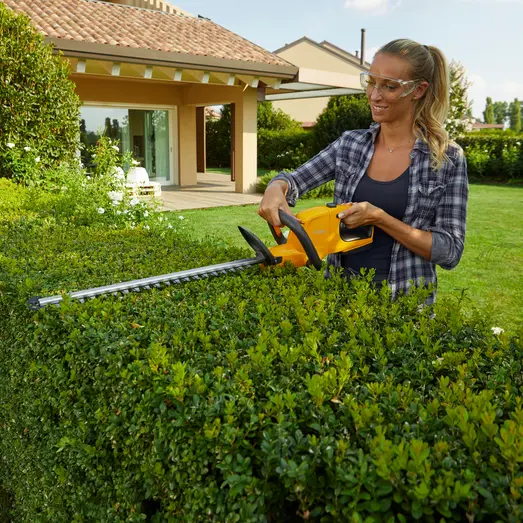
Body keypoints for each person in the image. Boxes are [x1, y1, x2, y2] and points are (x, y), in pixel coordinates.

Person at [257, 38, 469, 304]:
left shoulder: (446, 158)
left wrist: (380, 218)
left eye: (389, 87)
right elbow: (293, 179)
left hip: (405, 310)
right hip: (339, 303)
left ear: (418, 90)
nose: (374, 95)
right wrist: (275, 189)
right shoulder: (350, 145)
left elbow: (449, 251)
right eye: (371, 82)